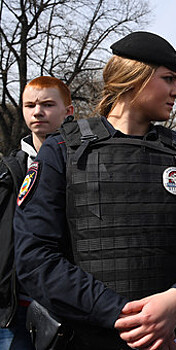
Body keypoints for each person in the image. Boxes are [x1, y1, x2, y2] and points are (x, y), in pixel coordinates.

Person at [13, 31, 176, 350]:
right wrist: (125, 316)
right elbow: (36, 258)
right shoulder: (62, 151)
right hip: (92, 339)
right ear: (135, 78)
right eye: (169, 79)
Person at [0, 76, 73, 350]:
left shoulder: (84, 166)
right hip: (14, 309)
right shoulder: (8, 171)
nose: (37, 112)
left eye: (47, 104)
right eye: (29, 105)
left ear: (68, 111)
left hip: (68, 304)